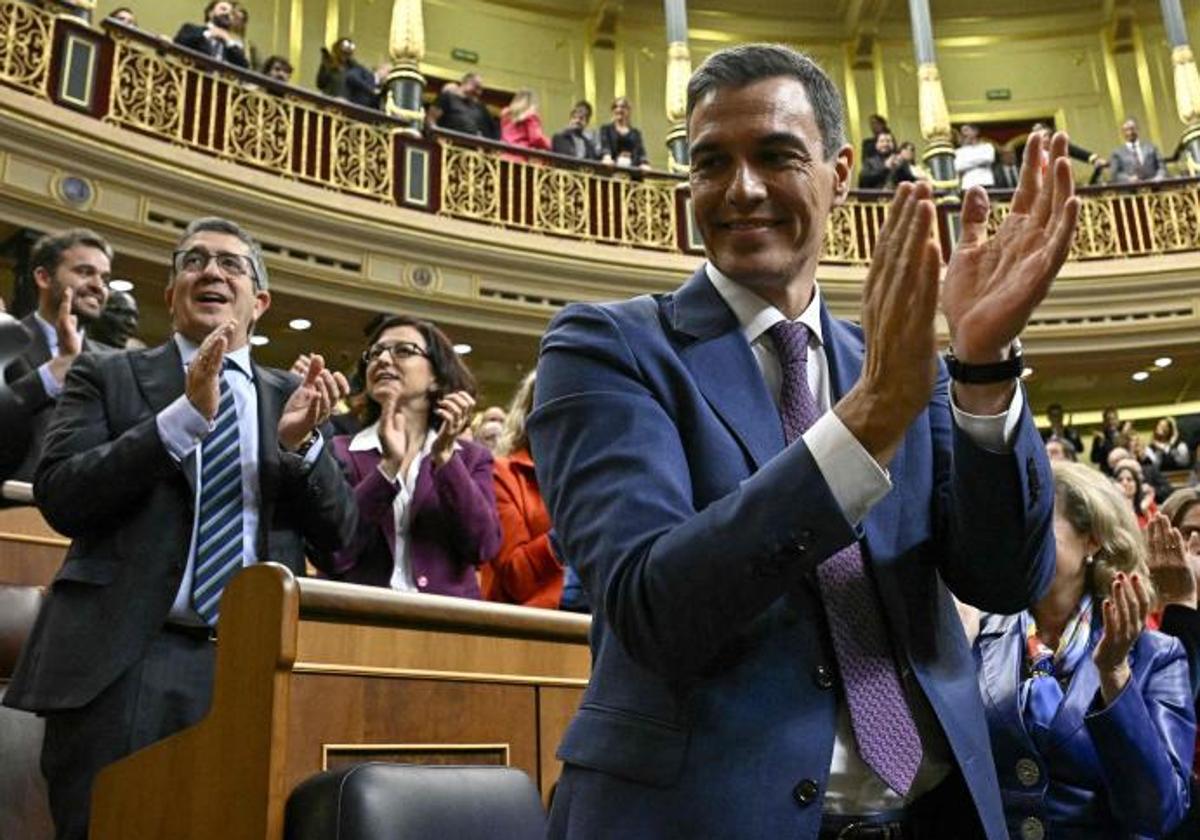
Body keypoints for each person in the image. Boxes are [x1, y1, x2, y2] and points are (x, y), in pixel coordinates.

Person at [530, 43, 1078, 838]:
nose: (740, 189)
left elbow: (1003, 578)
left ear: (840, 172)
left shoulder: (899, 364)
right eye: (711, 162)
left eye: (776, 156)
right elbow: (651, 606)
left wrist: (984, 366)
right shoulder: (605, 348)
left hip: (929, 816)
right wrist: (863, 428)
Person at [1, 217, 357, 839]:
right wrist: (179, 422)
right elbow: (62, 496)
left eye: (231, 264)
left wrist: (300, 452)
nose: (211, 272)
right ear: (170, 295)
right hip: (122, 661)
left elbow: (341, 537)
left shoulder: (291, 399)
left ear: (260, 302)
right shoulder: (106, 374)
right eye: (192, 262)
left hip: (249, 667)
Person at [974, 461, 1194, 838]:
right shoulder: (981, 636)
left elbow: (1158, 812)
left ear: (1091, 538)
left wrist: (1114, 676)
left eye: (1038, 524)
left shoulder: (1156, 654)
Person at [319, 314, 500, 597]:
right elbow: (335, 553)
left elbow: (483, 547)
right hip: (356, 621)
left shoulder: (471, 459)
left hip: (445, 626)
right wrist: (387, 469)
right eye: (376, 352)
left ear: (436, 379)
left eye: (404, 351)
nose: (383, 359)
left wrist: (445, 459)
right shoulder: (337, 450)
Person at [3, 229, 112, 484]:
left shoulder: (114, 363)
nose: (98, 286)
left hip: (83, 515)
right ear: (43, 277)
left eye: (104, 278)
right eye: (85, 272)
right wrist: (54, 372)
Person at [483, 372, 562, 608]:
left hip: (602, 625)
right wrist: (568, 533)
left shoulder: (602, 477)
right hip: (533, 626)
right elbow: (515, 578)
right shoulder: (503, 474)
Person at [173, 1, 249, 69]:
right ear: (211, 13)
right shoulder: (191, 29)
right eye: (223, 9)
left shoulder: (230, 45)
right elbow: (178, 43)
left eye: (231, 13)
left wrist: (228, 39)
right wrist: (209, 34)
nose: (227, 14)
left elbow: (244, 66)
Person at [431, 73, 499, 139]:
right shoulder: (448, 97)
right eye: (476, 87)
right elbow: (431, 119)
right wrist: (436, 136)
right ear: (465, 83)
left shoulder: (481, 108)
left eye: (480, 89)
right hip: (447, 145)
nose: (479, 92)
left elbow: (493, 131)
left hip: (472, 148)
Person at [316, 37, 378, 110]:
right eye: (342, 52)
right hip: (330, 107)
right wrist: (324, 64)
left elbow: (367, 86)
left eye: (347, 53)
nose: (344, 56)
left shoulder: (356, 70)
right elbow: (320, 84)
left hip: (348, 108)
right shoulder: (330, 66)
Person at [598, 96, 650, 169]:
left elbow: (641, 152)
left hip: (632, 170)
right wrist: (607, 157)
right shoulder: (606, 129)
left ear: (628, 110)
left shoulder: (636, 133)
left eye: (622, 107)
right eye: (615, 107)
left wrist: (644, 163)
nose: (619, 109)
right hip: (612, 170)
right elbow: (605, 146)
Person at [1110, 118, 1167, 182]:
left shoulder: (1151, 148)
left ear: (1137, 129)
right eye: (1126, 130)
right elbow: (1115, 174)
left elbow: (1162, 167)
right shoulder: (1117, 153)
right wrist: (1128, 179)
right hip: (1131, 189)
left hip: (1154, 187)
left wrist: (1159, 177)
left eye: (1132, 129)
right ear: (1122, 133)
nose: (1130, 132)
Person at [500, 90, 551, 154]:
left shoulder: (507, 115)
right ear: (533, 104)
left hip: (503, 155)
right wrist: (552, 144)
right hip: (520, 158)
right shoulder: (531, 117)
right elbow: (536, 139)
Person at [1113, 457, 1157, 528]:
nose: (1124, 483)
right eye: (1120, 480)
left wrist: (1145, 510)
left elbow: (1156, 529)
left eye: (1129, 479)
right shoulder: (1112, 508)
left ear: (1137, 484)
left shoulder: (1148, 503)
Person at [954, 123, 995, 190]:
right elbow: (958, 167)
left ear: (975, 132)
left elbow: (988, 159)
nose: (964, 134)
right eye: (962, 132)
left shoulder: (987, 146)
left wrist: (966, 161)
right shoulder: (959, 151)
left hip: (985, 183)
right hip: (967, 185)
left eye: (966, 130)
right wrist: (979, 160)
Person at [1091, 405, 1122, 474]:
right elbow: (1094, 459)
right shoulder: (1100, 437)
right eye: (1108, 420)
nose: (1111, 422)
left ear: (1118, 420)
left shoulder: (1124, 435)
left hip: (1122, 473)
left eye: (1113, 419)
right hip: (1107, 475)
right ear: (1104, 422)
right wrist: (1101, 443)